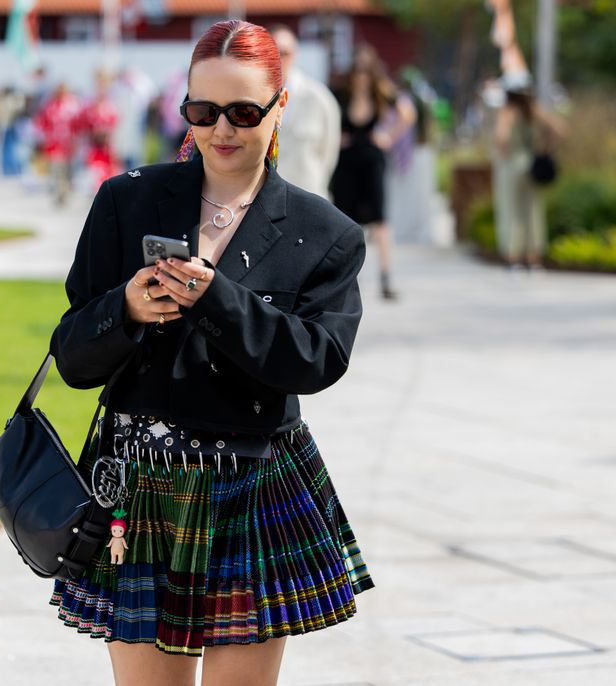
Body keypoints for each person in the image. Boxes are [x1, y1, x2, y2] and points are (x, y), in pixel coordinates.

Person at [47, 19, 374, 686]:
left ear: (281, 108)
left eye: (243, 111)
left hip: (252, 482)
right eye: (202, 110)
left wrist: (217, 299)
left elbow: (317, 360)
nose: (221, 129)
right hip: (137, 481)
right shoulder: (126, 201)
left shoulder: (325, 233)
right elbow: (73, 358)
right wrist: (128, 310)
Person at [330, 45, 414, 301]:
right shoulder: (340, 95)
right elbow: (327, 114)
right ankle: (346, 278)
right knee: (344, 220)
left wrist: (389, 136)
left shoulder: (382, 94)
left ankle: (386, 277)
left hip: (372, 161)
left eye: (366, 71)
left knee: (380, 219)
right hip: (346, 163)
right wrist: (335, 138)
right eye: (358, 71)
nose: (361, 76)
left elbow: (407, 114)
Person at [491, 71, 565, 271]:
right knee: (532, 211)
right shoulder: (534, 110)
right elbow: (559, 129)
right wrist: (545, 148)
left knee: (511, 210)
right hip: (531, 164)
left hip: (511, 166)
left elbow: (501, 138)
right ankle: (533, 258)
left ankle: (513, 257)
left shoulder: (507, 112)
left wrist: (504, 153)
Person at [268, 24, 340, 199]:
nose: (279, 58)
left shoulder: (319, 97)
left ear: (295, 54)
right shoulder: (252, 97)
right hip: (268, 198)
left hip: (308, 195)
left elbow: (329, 153)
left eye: (284, 52)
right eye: (274, 51)